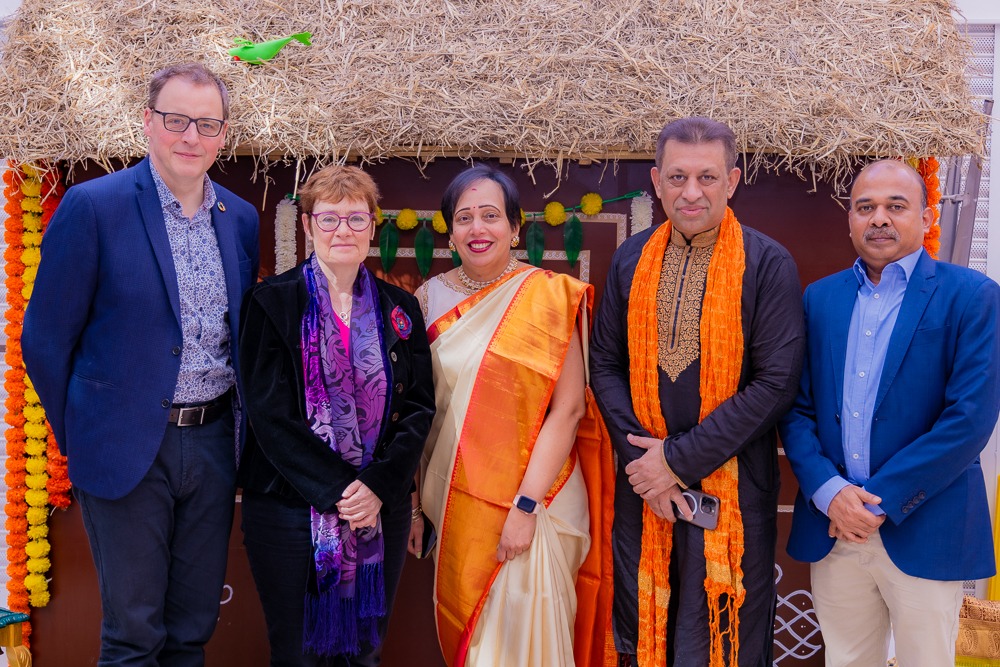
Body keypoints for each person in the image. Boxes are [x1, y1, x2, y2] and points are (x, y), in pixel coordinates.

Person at [21, 62, 259, 665]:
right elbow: (45, 340)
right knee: (133, 635)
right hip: (124, 446)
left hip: (211, 446)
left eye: (207, 125)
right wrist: (81, 433)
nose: (190, 138)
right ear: (148, 123)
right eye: (175, 120)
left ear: (224, 135)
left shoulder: (240, 219)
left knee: (191, 630)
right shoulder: (93, 207)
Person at [589, 116, 805, 667]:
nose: (691, 192)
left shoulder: (767, 263)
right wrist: (647, 467)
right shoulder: (631, 261)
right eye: (678, 177)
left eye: (707, 178)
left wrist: (677, 462)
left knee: (722, 631)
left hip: (731, 491)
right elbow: (606, 365)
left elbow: (774, 385)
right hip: (645, 493)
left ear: (733, 181)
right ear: (657, 181)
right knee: (643, 625)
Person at [779, 159, 1000, 667]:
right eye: (865, 208)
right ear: (850, 221)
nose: (879, 218)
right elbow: (797, 408)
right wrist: (832, 494)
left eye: (895, 206)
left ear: (926, 218)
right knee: (848, 659)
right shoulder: (821, 299)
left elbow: (968, 421)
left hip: (923, 525)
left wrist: (876, 504)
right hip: (835, 529)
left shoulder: (971, 296)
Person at [411, 165, 614, 667]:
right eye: (464, 218)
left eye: (491, 216)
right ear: (450, 231)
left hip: (537, 500)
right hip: (457, 502)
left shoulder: (548, 295)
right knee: (477, 647)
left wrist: (523, 510)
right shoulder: (426, 300)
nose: (477, 229)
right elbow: (419, 410)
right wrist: (416, 506)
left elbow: (568, 410)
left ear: (516, 227)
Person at [238, 165, 435, 666]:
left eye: (354, 219)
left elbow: (418, 407)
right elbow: (269, 413)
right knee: (298, 652)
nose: (342, 231)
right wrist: (341, 492)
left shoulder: (401, 308)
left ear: (373, 226)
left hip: (379, 511)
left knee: (365, 652)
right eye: (328, 219)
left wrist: (377, 488)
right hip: (288, 509)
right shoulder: (271, 302)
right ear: (307, 226)